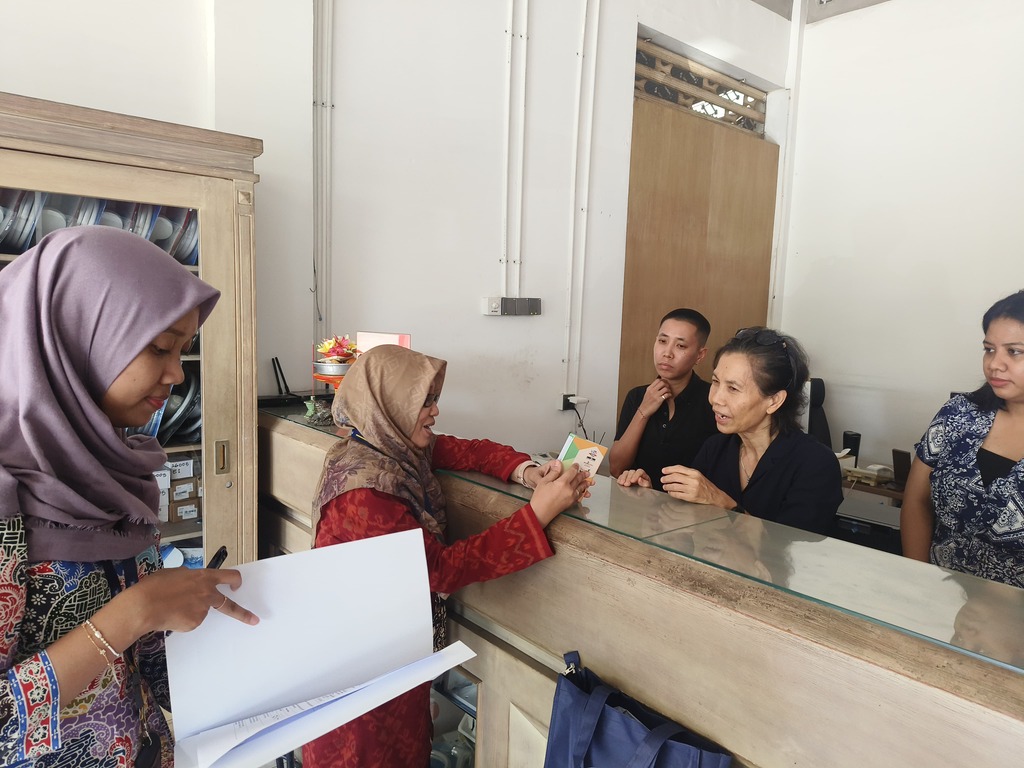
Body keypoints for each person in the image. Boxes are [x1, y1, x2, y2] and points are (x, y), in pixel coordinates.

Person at [0, 227, 259, 767]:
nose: (176, 374)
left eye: (182, 350)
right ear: (72, 334)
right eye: (160, 348)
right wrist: (135, 612)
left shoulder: (114, 470)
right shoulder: (8, 500)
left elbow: (142, 662)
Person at [302, 344, 592, 768]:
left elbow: (468, 451)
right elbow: (439, 570)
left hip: (390, 657)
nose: (435, 412)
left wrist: (527, 472)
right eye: (425, 402)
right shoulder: (365, 493)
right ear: (390, 405)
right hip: (362, 679)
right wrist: (538, 515)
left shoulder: (387, 445)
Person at [618, 327, 843, 535]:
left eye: (733, 388)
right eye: (715, 382)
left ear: (774, 401)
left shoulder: (815, 463)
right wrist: (652, 499)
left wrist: (723, 504)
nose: (715, 398)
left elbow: (791, 552)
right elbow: (686, 530)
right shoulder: (715, 448)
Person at [901, 290, 1024, 586]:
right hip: (939, 594)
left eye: (1014, 351)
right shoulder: (959, 414)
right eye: (989, 349)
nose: (994, 364)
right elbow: (916, 501)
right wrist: (917, 583)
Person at [609, 308, 717, 491]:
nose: (667, 353)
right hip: (638, 503)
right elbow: (616, 468)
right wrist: (643, 412)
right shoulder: (637, 396)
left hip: (691, 507)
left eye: (680, 346)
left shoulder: (714, 401)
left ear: (700, 355)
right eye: (662, 341)